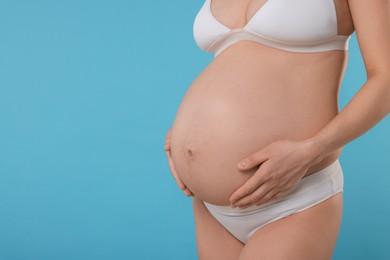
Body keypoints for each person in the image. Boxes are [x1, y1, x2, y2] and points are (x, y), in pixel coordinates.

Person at [164, 0, 389, 259]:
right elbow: (237, 64)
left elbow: (386, 79)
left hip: (293, 200)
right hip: (212, 210)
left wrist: (311, 151)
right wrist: (183, 138)